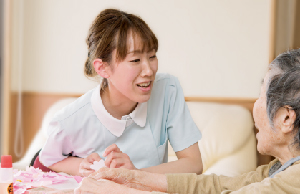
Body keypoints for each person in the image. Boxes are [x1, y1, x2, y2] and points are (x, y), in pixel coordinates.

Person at [75, 49, 300, 194]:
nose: (255, 106)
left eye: (261, 97)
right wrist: (134, 179)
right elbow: (223, 186)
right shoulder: (283, 169)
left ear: (287, 118)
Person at [37, 8, 203, 177]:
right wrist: (80, 165)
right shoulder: (70, 120)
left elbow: (194, 163)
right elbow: (47, 159)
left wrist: (135, 174)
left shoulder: (167, 90)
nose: (149, 70)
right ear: (103, 68)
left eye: (152, 56)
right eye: (135, 60)